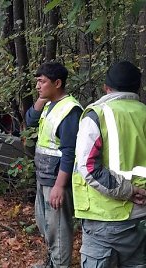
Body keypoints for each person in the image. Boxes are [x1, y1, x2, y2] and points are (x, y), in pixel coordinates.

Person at [73, 61, 146, 267]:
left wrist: (129, 191)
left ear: (106, 87)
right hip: (141, 220)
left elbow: (88, 167)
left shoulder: (98, 114)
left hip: (106, 219)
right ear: (137, 88)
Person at [25, 62, 83, 268]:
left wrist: (59, 186)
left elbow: (70, 152)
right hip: (44, 176)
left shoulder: (70, 111)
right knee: (45, 225)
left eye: (42, 82)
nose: (38, 86)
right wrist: (41, 98)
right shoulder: (50, 104)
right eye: (37, 82)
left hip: (57, 180)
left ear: (57, 83)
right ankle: (51, 263)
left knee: (58, 230)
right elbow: (30, 120)